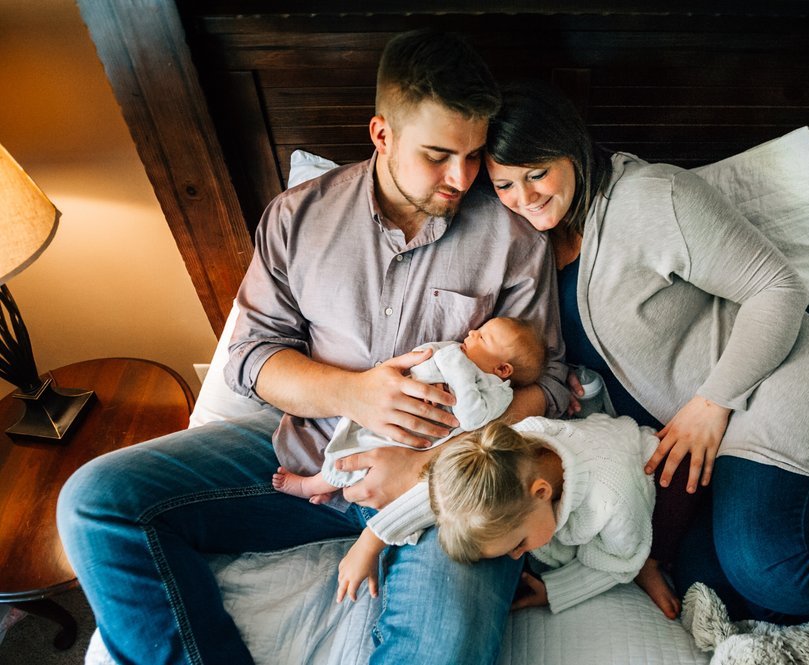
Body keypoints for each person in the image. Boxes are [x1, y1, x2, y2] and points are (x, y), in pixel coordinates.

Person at [56, 32, 570, 665]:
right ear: (382, 134)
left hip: (448, 484)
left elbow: (548, 388)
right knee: (95, 501)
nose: (463, 177)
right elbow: (249, 356)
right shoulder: (297, 219)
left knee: (439, 649)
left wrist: (428, 468)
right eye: (438, 155)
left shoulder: (513, 236)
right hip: (303, 451)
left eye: (473, 154)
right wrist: (353, 392)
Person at [482, 81, 809, 644]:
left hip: (781, 377)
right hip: (709, 435)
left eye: (538, 174)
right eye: (505, 184)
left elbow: (777, 288)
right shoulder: (536, 246)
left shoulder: (651, 197)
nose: (524, 197)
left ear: (573, 150)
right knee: (717, 591)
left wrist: (713, 402)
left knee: (770, 567)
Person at [335, 415, 660, 617]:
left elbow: (617, 560)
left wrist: (555, 590)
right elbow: (450, 491)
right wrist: (372, 539)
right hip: (595, 469)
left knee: (636, 553)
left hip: (654, 476)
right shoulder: (506, 453)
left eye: (518, 543)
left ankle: (653, 562)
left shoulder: (611, 499)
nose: (518, 554)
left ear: (543, 492)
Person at [272, 316, 546, 501]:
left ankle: (312, 485)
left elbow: (471, 416)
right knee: (356, 433)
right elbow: (424, 355)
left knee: (362, 452)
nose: (472, 332)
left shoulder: (497, 392)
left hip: (414, 437)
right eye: (479, 330)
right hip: (387, 400)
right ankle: (333, 485)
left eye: (483, 337)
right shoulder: (456, 352)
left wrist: (456, 369)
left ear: (501, 369)